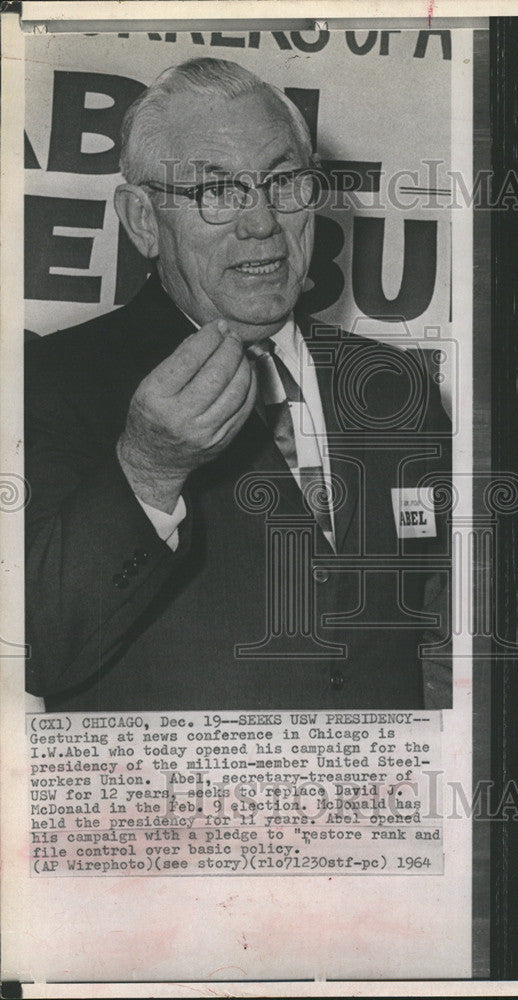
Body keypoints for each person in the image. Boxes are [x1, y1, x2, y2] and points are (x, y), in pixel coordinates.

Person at [24, 57, 451, 712]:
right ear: (142, 220)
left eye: (283, 182)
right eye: (216, 192)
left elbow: (434, 629)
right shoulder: (46, 382)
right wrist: (145, 473)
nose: (261, 223)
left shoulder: (397, 388)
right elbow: (35, 645)